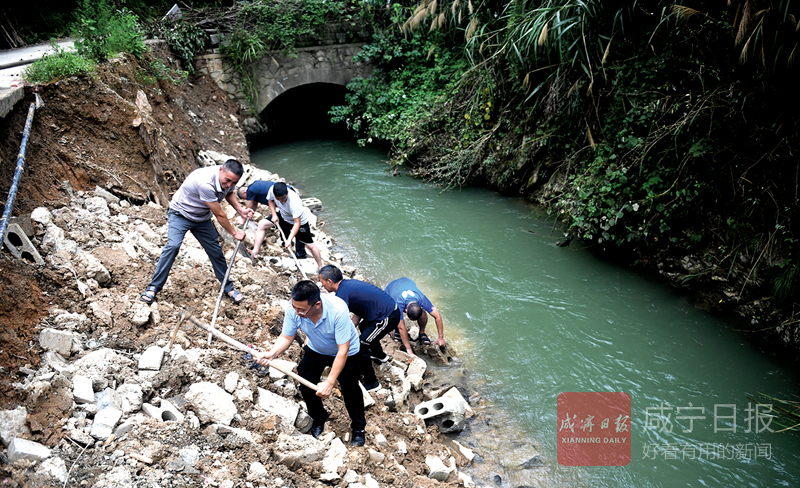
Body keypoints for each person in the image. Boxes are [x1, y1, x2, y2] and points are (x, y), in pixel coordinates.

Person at [251, 280, 366, 446]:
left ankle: (358, 427)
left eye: (301, 310)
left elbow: (343, 350)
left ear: (317, 305)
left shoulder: (338, 310)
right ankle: (319, 416)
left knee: (350, 390)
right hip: (316, 348)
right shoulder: (293, 308)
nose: (296, 312)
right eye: (294, 307)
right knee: (305, 384)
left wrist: (329, 382)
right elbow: (286, 336)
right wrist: (271, 354)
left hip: (346, 352)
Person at [140, 160, 254, 304]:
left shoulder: (227, 179)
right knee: (173, 246)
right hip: (180, 214)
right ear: (220, 170)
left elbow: (229, 193)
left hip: (201, 218)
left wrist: (241, 210)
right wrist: (234, 232)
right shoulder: (205, 183)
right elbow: (220, 215)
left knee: (215, 250)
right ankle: (153, 288)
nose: (229, 185)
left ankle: (227, 287)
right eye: (227, 181)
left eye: (234, 182)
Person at [318, 265, 416, 389]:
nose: (322, 286)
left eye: (322, 283)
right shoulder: (347, 285)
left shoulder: (342, 294)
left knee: (361, 345)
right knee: (365, 327)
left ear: (330, 282)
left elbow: (336, 319)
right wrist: (353, 325)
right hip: (382, 312)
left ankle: (372, 382)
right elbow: (359, 307)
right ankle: (380, 356)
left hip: (387, 316)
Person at [251, 182, 323, 271]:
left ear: (287, 193)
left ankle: (320, 267)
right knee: (262, 224)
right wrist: (274, 214)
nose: (281, 201)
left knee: (310, 245)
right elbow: (270, 200)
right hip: (283, 215)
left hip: (299, 222)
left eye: (283, 198)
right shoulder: (272, 190)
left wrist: (289, 240)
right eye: (278, 199)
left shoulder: (294, 202)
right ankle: (255, 251)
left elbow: (297, 223)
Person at [236, 181, 307, 258]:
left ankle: (300, 252)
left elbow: (249, 206)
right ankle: (255, 252)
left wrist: (243, 220)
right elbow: (254, 205)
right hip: (283, 202)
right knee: (267, 223)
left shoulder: (250, 190)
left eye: (246, 197)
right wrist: (273, 215)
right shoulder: (255, 188)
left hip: (284, 196)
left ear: (244, 192)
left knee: (296, 224)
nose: (248, 198)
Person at [384, 277, 447, 347]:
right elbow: (402, 328)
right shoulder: (398, 303)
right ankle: (397, 332)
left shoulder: (422, 300)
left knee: (423, 312)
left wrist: (441, 338)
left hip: (407, 281)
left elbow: (438, 316)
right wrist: (409, 349)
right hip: (390, 288)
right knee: (394, 314)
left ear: (420, 306)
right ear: (406, 311)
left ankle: (422, 332)